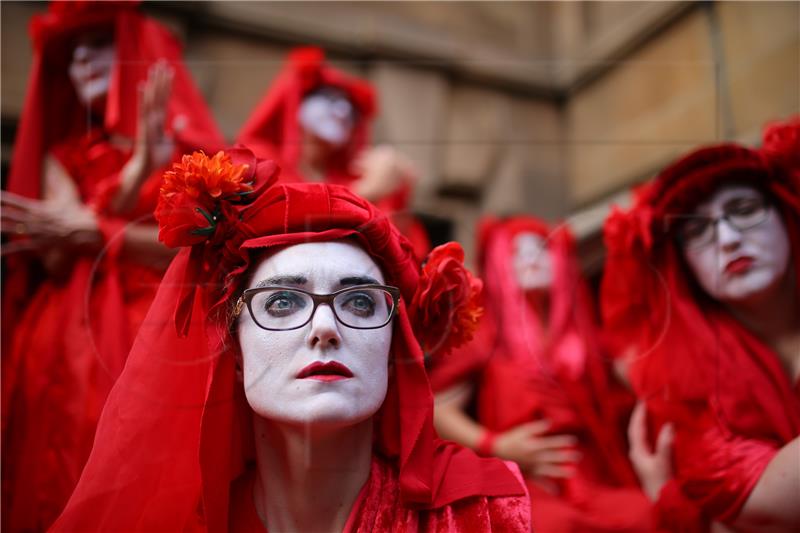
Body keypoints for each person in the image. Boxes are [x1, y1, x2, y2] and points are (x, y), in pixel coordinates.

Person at [51, 148, 530, 532]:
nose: (325, 328)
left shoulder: (481, 513)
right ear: (233, 348)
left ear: (393, 346)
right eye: (283, 302)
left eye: (360, 303)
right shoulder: (163, 521)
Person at [0, 2, 224, 530]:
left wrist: (100, 224)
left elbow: (200, 246)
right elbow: (55, 251)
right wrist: (131, 181)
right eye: (74, 54)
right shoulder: (65, 154)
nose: (82, 60)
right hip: (62, 342)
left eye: (99, 45)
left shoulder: (196, 154)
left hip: (156, 330)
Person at [601, 116, 800, 532]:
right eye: (697, 230)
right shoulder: (680, 389)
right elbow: (764, 506)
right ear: (683, 264)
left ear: (785, 212)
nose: (727, 238)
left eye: (743, 210)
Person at [429, 216, 657, 532]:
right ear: (498, 263)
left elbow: (648, 381)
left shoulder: (589, 339)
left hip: (595, 480)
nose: (530, 258)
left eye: (540, 249)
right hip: (526, 482)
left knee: (645, 515)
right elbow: (438, 407)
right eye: (516, 251)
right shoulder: (484, 336)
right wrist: (496, 445)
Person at [237, 46, 430, 258]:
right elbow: (280, 222)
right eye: (329, 99)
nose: (342, 111)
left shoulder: (345, 175)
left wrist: (397, 194)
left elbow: (404, 253)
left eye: (351, 111)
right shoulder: (258, 161)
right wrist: (367, 192)